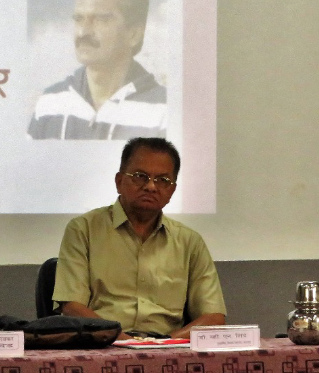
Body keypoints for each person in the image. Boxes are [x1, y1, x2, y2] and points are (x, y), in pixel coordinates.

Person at [53, 137, 226, 338]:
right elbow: (72, 307)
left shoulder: (189, 242)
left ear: (172, 190)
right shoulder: (84, 230)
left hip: (167, 346)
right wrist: (125, 342)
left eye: (163, 180)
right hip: (104, 345)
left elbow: (213, 317)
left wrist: (163, 345)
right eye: (140, 176)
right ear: (119, 182)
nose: (151, 187)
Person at [28, 0, 167, 140]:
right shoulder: (50, 102)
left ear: (134, 34)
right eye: (79, 19)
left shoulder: (164, 112)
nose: (83, 32)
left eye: (101, 19)